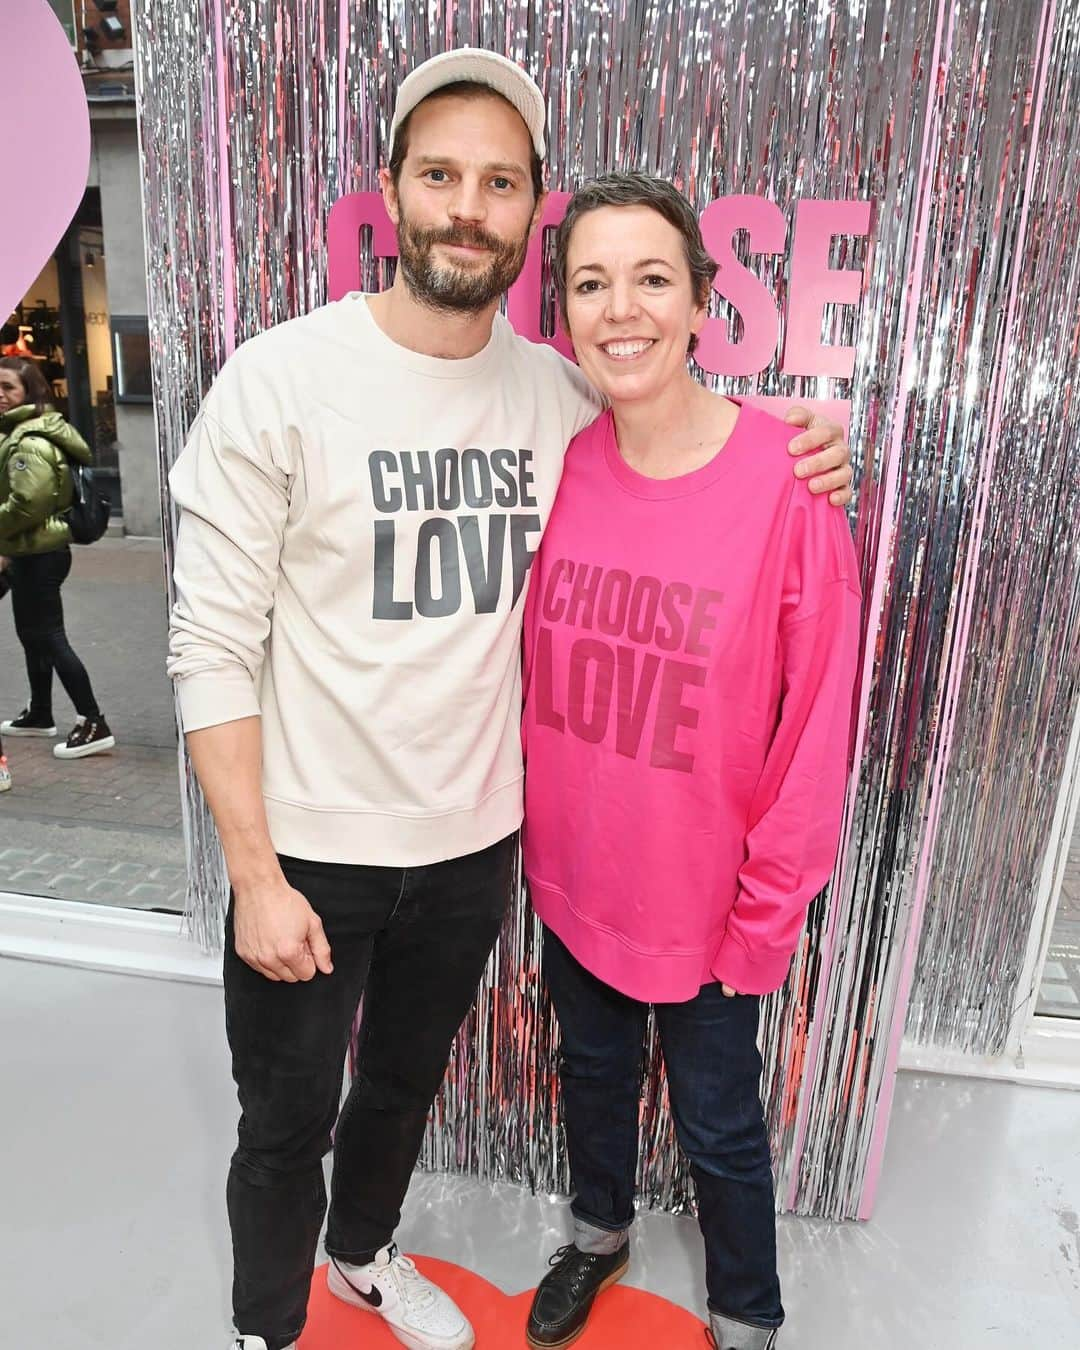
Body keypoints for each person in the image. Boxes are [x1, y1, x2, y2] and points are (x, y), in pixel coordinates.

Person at [167, 49, 855, 1350]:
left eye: (498, 181)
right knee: (284, 1121)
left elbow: (688, 425)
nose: (466, 206)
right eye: (440, 175)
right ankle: (266, 1327)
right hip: (313, 845)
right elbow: (208, 639)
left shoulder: (554, 394)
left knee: (402, 1089)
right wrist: (252, 869)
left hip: (475, 845)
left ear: (528, 207)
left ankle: (363, 1256)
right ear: (393, 191)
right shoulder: (279, 378)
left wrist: (823, 443)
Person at [519, 174, 863, 1350]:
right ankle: (598, 1236)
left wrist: (763, 920)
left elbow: (818, 728)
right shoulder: (556, 466)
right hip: (575, 888)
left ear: (704, 300)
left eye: (653, 278)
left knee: (720, 1129)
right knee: (593, 1081)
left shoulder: (791, 484)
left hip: (713, 913)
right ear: (562, 311)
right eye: (592, 282)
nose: (623, 309)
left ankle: (746, 1313)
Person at [0, 357, 114, 759]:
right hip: (30, 550)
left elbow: (27, 503)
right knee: (33, 636)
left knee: (48, 636)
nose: (0, 394)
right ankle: (40, 714)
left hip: (38, 553)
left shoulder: (29, 440)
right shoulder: (25, 432)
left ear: (29, 393)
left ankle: (93, 721)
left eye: (9, 387)